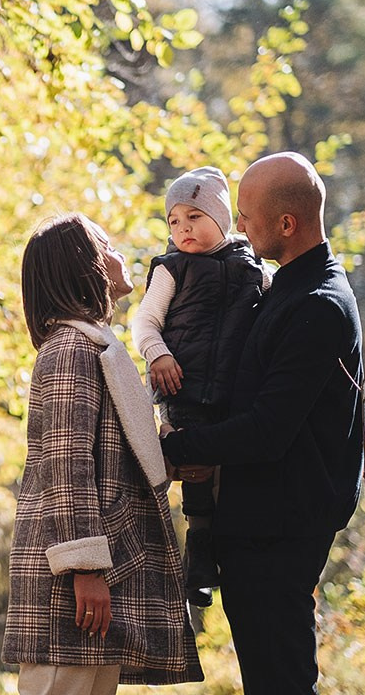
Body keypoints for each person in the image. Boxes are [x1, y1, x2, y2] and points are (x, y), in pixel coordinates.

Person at [158, 152, 365, 695]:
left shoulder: (319, 305)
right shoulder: (282, 288)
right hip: (256, 524)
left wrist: (172, 449)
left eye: (245, 215)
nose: (239, 226)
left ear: (286, 224)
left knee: (282, 680)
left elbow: (268, 428)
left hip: (281, 529)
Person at [2, 214, 203, 695]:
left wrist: (172, 460)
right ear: (85, 264)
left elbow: (113, 453)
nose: (119, 255)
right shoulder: (72, 347)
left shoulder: (94, 347)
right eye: (106, 245)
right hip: (73, 585)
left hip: (101, 579)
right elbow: (66, 464)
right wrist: (83, 568)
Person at [130, 166, 269, 607]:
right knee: (195, 471)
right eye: (174, 221)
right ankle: (198, 558)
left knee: (226, 476)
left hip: (233, 393)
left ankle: (221, 552)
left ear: (222, 218)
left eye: (194, 217)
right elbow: (145, 322)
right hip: (183, 388)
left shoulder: (252, 268)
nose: (182, 229)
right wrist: (158, 355)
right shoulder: (171, 269)